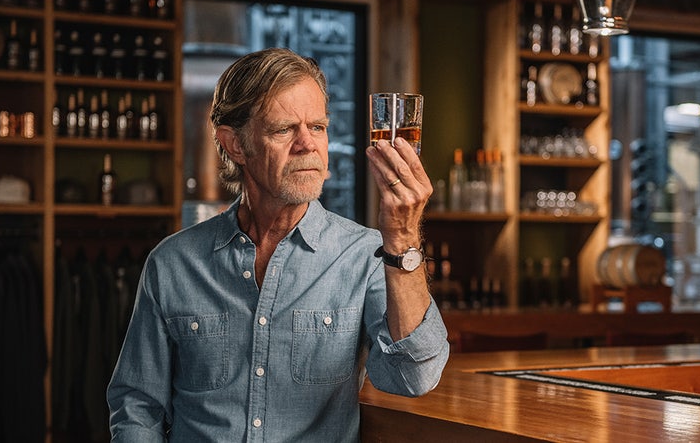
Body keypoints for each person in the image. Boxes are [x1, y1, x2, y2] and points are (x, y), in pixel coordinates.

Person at [107, 48, 449, 441]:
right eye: (284, 129)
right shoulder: (172, 263)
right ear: (235, 145)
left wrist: (403, 237)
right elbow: (137, 407)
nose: (308, 145)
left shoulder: (366, 256)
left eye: (318, 127)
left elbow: (415, 375)